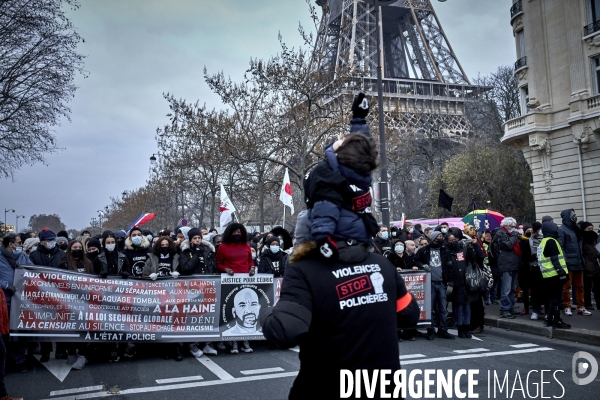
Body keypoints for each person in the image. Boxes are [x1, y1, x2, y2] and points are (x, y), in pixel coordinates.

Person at [259, 220, 420, 399]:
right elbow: (409, 314)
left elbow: (284, 331)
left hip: (328, 385)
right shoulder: (381, 263)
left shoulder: (304, 270)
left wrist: (266, 312)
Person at [303, 133, 380, 261]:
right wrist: (358, 118)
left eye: (342, 141)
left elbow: (325, 209)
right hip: (359, 238)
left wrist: (324, 240)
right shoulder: (360, 175)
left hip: (339, 240)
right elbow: (362, 142)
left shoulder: (328, 175)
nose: (340, 139)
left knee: (295, 265)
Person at [216, 223, 255, 354]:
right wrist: (226, 269)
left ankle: (245, 341)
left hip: (246, 282)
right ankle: (234, 342)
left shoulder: (247, 246)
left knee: (247, 310)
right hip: (230, 282)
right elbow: (219, 263)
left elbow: (250, 261)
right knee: (234, 311)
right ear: (229, 233)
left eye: (239, 231)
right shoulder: (222, 247)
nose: (237, 234)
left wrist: (252, 268)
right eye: (234, 231)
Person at [58, 240, 92, 370]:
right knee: (71, 327)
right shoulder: (64, 263)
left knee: (84, 328)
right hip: (70, 301)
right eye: (74, 247)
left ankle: (83, 355)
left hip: (85, 301)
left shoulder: (88, 263)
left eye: (79, 247)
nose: (77, 249)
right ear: (69, 249)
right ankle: (71, 352)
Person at [415, 231, 455, 340]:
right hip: (429, 284)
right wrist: (422, 265)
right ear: (433, 238)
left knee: (443, 309)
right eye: (438, 237)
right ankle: (431, 330)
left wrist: (450, 283)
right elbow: (416, 260)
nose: (441, 238)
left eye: (442, 236)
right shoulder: (424, 250)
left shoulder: (445, 251)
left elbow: (451, 269)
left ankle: (443, 330)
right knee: (429, 308)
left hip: (441, 283)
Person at [0, 235, 29, 372]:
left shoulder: (23, 256)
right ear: (11, 245)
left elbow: (34, 270)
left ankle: (20, 360)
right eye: (19, 243)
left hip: (22, 300)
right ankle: (6, 360)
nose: (21, 245)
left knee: (22, 331)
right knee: (5, 334)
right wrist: (5, 285)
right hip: (5, 302)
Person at [557, 209, 590, 316]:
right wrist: (564, 261)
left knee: (580, 286)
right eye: (573, 215)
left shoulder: (577, 229)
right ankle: (567, 306)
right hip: (569, 263)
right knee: (566, 287)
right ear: (567, 217)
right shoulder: (562, 230)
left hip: (579, 262)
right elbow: (561, 246)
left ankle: (581, 307)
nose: (575, 217)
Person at [442, 232, 474, 339]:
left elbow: (472, 261)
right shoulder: (446, 252)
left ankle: (467, 326)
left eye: (454, 239)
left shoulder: (463, 249)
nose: (453, 242)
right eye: (450, 240)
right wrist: (449, 282)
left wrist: (472, 248)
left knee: (467, 305)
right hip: (455, 283)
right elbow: (446, 270)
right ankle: (460, 327)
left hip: (466, 281)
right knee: (459, 306)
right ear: (446, 241)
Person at [539, 222, 570, 329]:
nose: (557, 230)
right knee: (556, 299)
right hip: (555, 275)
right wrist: (561, 272)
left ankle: (549, 319)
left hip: (547, 275)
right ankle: (557, 321)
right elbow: (555, 259)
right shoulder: (551, 241)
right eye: (556, 228)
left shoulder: (543, 241)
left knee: (551, 299)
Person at [492, 217, 521, 319]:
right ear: (507, 226)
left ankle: (510, 307)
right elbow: (508, 245)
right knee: (506, 289)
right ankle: (504, 309)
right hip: (506, 264)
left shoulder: (507, 234)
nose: (514, 229)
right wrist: (514, 236)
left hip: (512, 264)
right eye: (513, 227)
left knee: (512, 289)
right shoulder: (500, 234)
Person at [581, 222, 599, 311]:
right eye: (589, 229)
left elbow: (596, 251)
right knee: (587, 287)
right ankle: (587, 304)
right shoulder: (582, 241)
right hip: (586, 266)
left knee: (597, 287)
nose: (591, 231)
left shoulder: (593, 239)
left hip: (595, 265)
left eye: (592, 229)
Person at [528, 222, 545, 320]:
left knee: (544, 291)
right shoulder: (530, 240)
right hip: (534, 267)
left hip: (545, 267)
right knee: (535, 291)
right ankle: (535, 310)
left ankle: (543, 310)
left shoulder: (545, 238)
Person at [517, 225, 534, 315]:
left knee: (535, 289)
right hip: (524, 268)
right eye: (528, 230)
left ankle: (537, 307)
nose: (530, 232)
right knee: (525, 289)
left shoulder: (535, 240)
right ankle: (526, 307)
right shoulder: (521, 241)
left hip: (533, 267)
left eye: (531, 230)